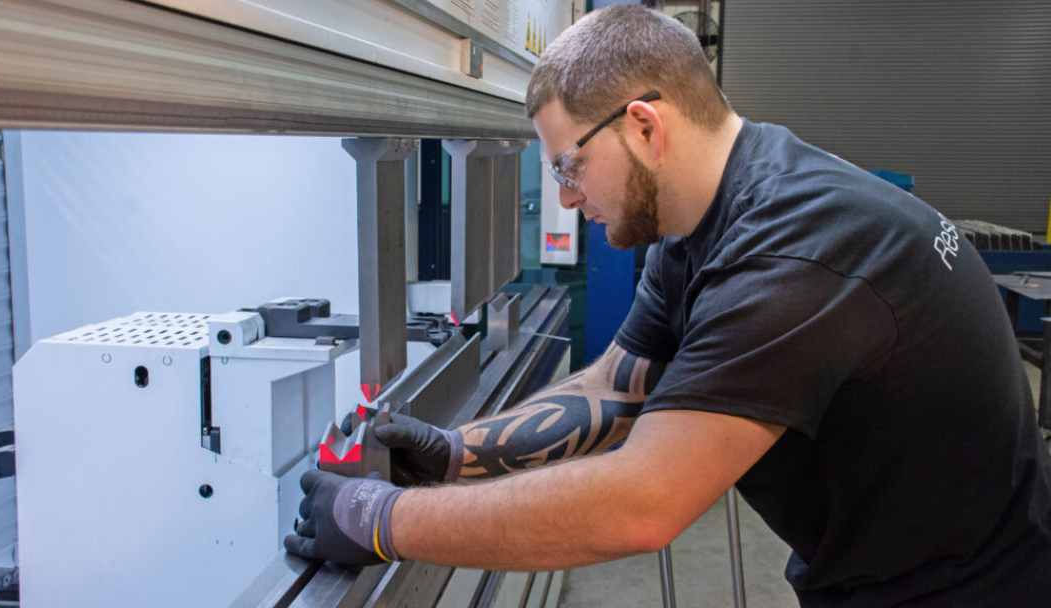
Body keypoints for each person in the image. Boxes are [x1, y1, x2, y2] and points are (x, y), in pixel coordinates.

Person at [285, 6, 1051, 605]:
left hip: (966, 590)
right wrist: (457, 452)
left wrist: (377, 519)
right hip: (876, 567)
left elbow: (641, 504)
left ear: (645, 126)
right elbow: (618, 385)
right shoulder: (702, 220)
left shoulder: (794, 253)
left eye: (569, 164)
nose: (566, 195)